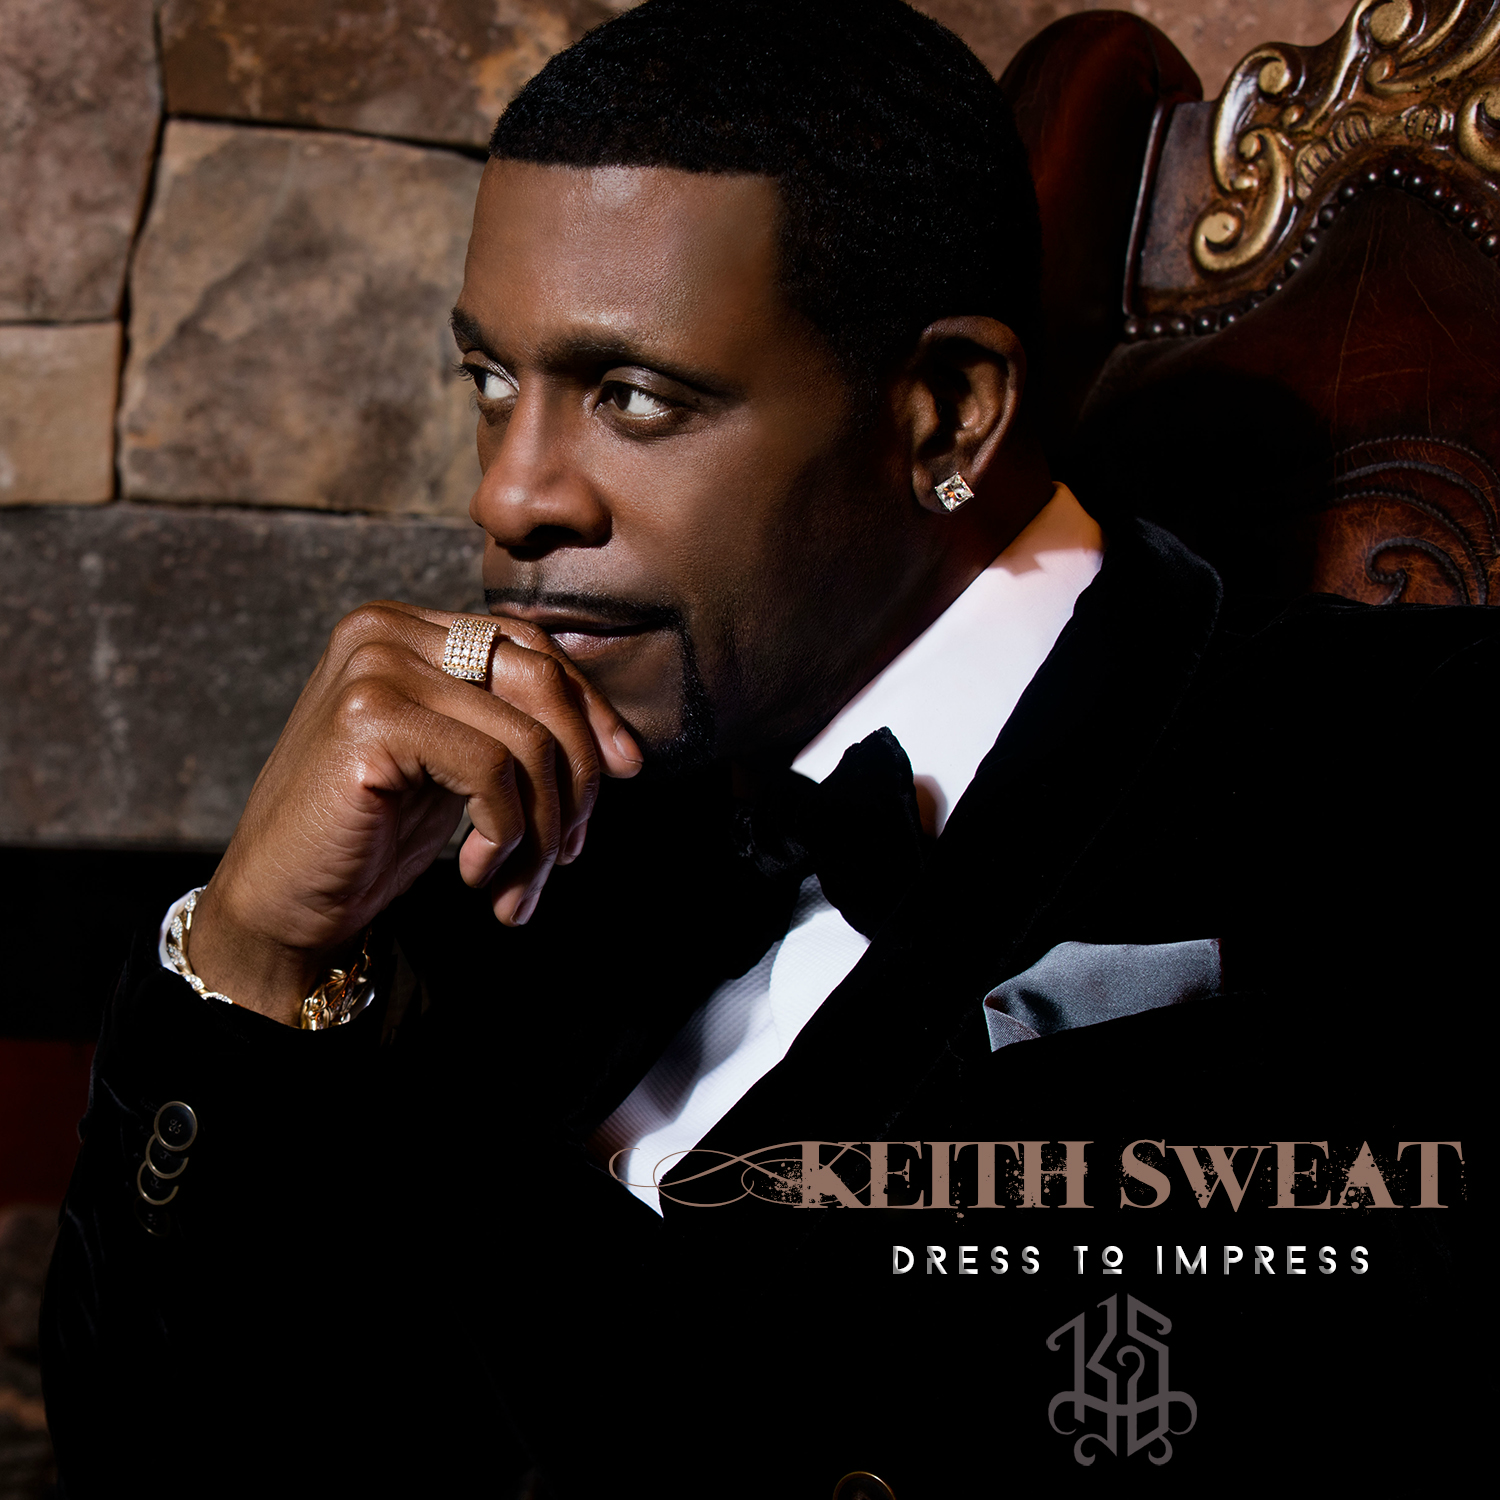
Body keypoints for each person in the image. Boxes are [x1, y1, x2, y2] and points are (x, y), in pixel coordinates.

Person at [41, 1, 1493, 1493]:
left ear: (947, 417)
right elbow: (151, 1460)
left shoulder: (1416, 769)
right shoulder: (478, 817)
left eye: (633, 397)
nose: (511, 497)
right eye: (492, 384)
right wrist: (255, 959)